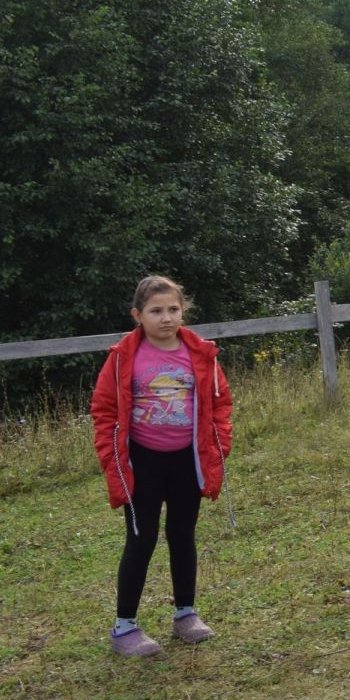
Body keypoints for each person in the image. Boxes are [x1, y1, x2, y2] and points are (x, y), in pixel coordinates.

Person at [90, 275, 233, 657]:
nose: (166, 318)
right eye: (156, 311)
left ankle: (185, 614)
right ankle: (125, 628)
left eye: (173, 309)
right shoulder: (123, 358)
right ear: (138, 315)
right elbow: (103, 411)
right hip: (143, 464)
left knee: (182, 534)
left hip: (188, 461)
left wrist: (219, 447)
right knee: (142, 538)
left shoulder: (200, 354)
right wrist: (112, 459)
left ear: (183, 312)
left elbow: (220, 403)